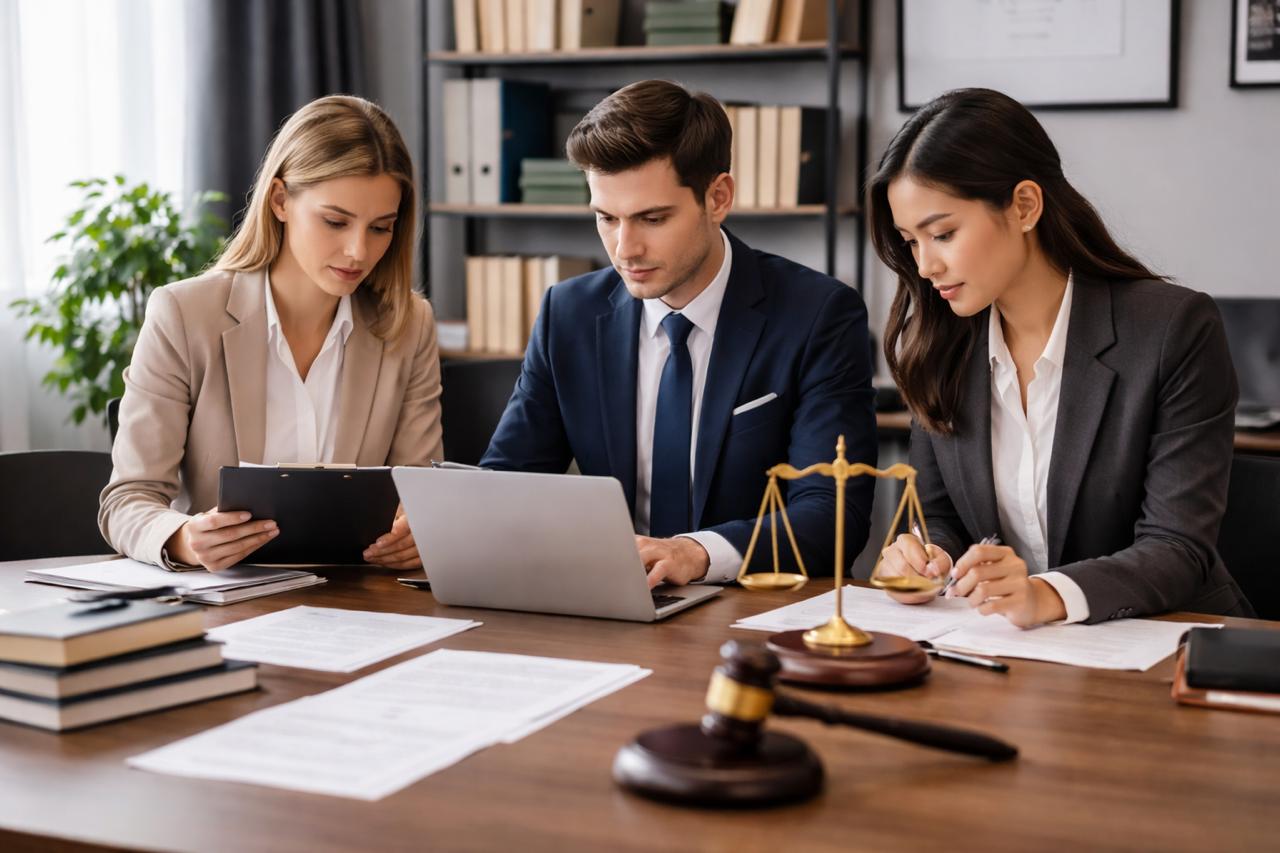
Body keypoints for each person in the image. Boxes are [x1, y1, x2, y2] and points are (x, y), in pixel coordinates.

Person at [869, 88, 1253, 626]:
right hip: (1010, 649)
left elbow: (1177, 546)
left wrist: (1045, 594)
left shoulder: (1173, 329)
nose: (926, 265)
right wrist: (928, 557)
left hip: (1162, 645)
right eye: (911, 242)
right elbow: (941, 515)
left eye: (943, 233)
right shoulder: (941, 345)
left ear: (1024, 205)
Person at [480, 80, 877, 588]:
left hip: (750, 613)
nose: (625, 248)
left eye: (652, 218)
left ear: (717, 198)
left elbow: (833, 515)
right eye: (606, 218)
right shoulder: (569, 314)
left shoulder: (818, 315)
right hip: (610, 603)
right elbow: (507, 483)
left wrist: (697, 553)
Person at [100, 95, 442, 572]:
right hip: (224, 603)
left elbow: (421, 493)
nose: (358, 251)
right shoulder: (184, 314)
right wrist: (182, 538)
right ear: (280, 200)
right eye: (335, 221)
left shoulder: (408, 325)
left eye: (381, 228)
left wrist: (419, 531)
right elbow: (128, 500)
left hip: (359, 603)